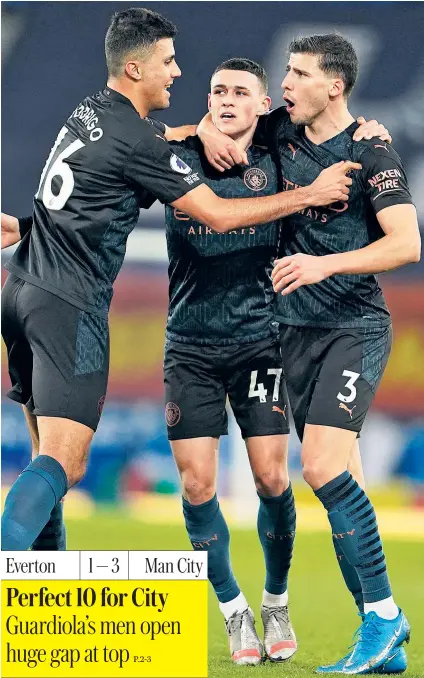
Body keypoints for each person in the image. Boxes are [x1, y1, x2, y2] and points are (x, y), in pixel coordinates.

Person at [0, 7, 356, 555]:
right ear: (137, 69)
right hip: (67, 306)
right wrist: (308, 194)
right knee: (63, 462)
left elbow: (101, 185)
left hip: (20, 287)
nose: (178, 72)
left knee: (46, 458)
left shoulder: (90, 112)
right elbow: (216, 213)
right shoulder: (136, 140)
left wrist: (201, 131)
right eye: (168, 61)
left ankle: (38, 612)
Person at [197, 34, 420, 675]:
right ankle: (378, 634)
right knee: (335, 483)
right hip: (291, 335)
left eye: (298, 74)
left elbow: (407, 244)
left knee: (321, 470)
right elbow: (211, 129)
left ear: (335, 85)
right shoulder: (276, 132)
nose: (285, 84)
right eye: (285, 73)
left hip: (353, 326)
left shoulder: (370, 149)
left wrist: (325, 264)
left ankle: (383, 618)